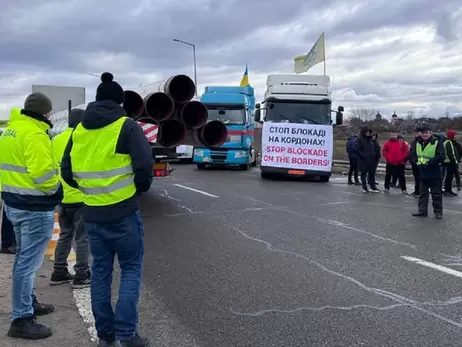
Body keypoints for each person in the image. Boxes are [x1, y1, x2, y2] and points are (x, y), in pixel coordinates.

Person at [61, 72, 154, 347]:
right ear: (120, 102)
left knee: (100, 272)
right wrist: (137, 189)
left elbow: (66, 171)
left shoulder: (79, 129)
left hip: (93, 213)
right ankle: (127, 335)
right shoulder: (126, 125)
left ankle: (106, 337)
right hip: (124, 213)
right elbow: (144, 165)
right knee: (131, 269)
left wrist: (89, 190)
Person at [0, 93, 63, 339]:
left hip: (13, 204)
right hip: (34, 207)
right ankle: (22, 318)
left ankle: (29, 302)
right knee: (28, 262)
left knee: (23, 259)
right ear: (45, 113)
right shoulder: (35, 134)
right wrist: (57, 190)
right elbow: (43, 176)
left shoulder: (11, 130)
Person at [50, 108, 90, 289]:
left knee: (65, 235)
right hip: (81, 197)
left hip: (61, 197)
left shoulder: (56, 140)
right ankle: (81, 275)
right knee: (83, 238)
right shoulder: (83, 139)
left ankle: (59, 272)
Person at [411, 123, 445, 219]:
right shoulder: (417, 143)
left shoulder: (437, 143)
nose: (424, 135)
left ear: (431, 133)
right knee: (423, 194)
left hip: (434, 172)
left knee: (436, 194)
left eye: (426, 133)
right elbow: (413, 154)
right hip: (422, 172)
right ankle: (422, 211)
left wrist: (430, 162)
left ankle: (438, 212)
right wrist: (415, 162)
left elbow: (442, 156)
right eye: (423, 133)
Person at [382, 130, 409, 194]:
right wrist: (388, 159)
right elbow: (384, 151)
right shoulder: (387, 143)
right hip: (390, 162)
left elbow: (406, 152)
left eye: (394, 135)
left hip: (400, 163)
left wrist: (401, 159)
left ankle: (403, 189)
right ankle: (386, 188)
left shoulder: (402, 143)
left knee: (401, 176)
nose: (393, 136)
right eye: (392, 135)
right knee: (388, 175)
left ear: (397, 135)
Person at [356, 126, 380, 193]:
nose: (368, 133)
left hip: (371, 159)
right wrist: (364, 156)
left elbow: (372, 148)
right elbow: (358, 150)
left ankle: (373, 186)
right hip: (363, 159)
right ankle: (364, 187)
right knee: (363, 174)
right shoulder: (359, 139)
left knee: (372, 173)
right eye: (366, 132)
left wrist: (374, 155)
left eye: (369, 132)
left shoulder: (370, 139)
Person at [442, 130, 460, 197]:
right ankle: (447, 190)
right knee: (449, 177)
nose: (455, 136)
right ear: (452, 136)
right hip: (450, 162)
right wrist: (455, 161)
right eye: (454, 135)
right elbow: (451, 154)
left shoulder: (446, 141)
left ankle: (449, 190)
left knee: (449, 177)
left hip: (447, 162)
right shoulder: (449, 142)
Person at [408, 128, 422, 198]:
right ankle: (416, 191)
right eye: (415, 132)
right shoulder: (414, 141)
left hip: (419, 163)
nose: (416, 134)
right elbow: (411, 152)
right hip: (414, 163)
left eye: (417, 132)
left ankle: (419, 192)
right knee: (416, 178)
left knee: (419, 178)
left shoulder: (421, 140)